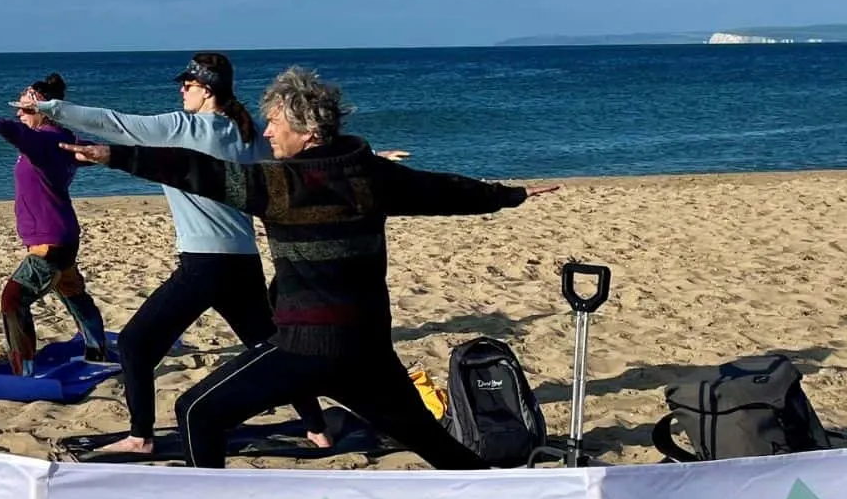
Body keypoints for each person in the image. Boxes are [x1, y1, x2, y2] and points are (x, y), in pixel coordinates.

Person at [61, 65, 557, 469]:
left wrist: (115, 156)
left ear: (310, 132)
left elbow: (198, 171)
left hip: (304, 348)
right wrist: (510, 195)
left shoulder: (277, 187)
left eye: (277, 122)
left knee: (197, 412)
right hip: (367, 351)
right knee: (438, 447)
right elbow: (445, 190)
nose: (268, 131)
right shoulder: (371, 175)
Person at [20, 52, 334, 455]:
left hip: (203, 265)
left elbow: (113, 123)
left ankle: (140, 437)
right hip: (243, 262)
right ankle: (317, 427)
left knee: (134, 345)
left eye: (187, 85)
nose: (182, 90)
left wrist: (48, 108)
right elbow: (297, 160)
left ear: (206, 90)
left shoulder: (181, 127)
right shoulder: (249, 132)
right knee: (270, 349)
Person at [0, 72, 109, 375]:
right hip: (63, 235)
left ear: (42, 111)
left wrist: (4, 126)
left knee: (13, 299)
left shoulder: (46, 140)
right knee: (73, 292)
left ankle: (23, 370)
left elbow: (25, 137)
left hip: (50, 242)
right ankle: (97, 350)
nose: (18, 113)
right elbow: (85, 150)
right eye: (17, 110)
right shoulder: (61, 141)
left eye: (23, 109)